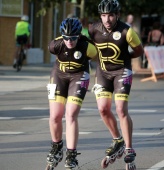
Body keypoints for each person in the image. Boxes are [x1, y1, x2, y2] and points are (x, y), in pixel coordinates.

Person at [88, 0, 144, 167]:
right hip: (103, 73)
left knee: (120, 109)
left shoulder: (127, 31)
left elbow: (139, 51)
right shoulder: (93, 29)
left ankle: (129, 149)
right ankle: (117, 140)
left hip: (122, 72)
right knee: (103, 109)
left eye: (111, 15)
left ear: (117, 15)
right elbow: (89, 49)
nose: (107, 19)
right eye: (104, 15)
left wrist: (125, 58)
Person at [46, 18, 97, 169]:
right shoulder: (54, 45)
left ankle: (71, 155)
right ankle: (56, 147)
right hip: (59, 75)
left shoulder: (88, 48)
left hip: (79, 75)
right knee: (55, 115)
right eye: (66, 38)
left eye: (73, 38)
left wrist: (99, 80)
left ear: (79, 36)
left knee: (71, 113)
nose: (69, 41)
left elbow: (101, 63)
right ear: (62, 36)